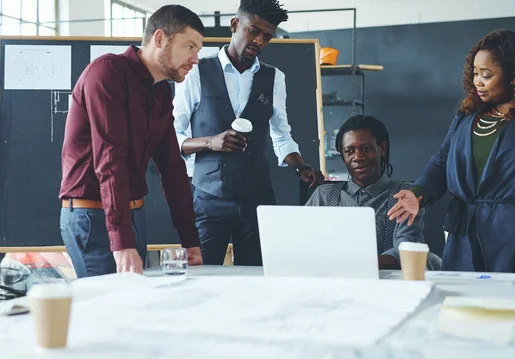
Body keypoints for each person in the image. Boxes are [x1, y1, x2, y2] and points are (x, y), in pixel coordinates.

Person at [388, 29, 515, 277]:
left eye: (487, 75)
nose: (477, 82)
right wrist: (418, 193)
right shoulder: (467, 116)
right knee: (463, 308)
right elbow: (442, 160)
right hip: (464, 237)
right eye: (474, 73)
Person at [173, 0, 324, 266]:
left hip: (257, 198)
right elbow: (172, 136)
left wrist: (301, 167)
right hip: (209, 197)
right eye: (253, 31)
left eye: (267, 36)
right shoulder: (197, 72)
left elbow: (281, 134)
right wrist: (210, 141)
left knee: (255, 278)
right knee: (201, 276)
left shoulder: (274, 77)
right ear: (235, 25)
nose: (259, 41)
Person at [59, 5, 205, 278]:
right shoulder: (106, 73)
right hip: (93, 217)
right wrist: (122, 241)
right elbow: (110, 159)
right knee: (106, 311)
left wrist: (190, 239)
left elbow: (173, 169)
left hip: (132, 216)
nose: (195, 58)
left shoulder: (160, 93)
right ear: (160, 39)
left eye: (198, 49)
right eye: (190, 47)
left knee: (133, 309)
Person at [305, 115, 441, 270]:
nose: (358, 157)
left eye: (366, 149)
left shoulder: (403, 195)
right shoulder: (324, 196)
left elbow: (407, 248)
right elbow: (302, 241)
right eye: (349, 151)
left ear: (381, 149)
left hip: (389, 288)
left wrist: (355, 265)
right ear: (343, 156)